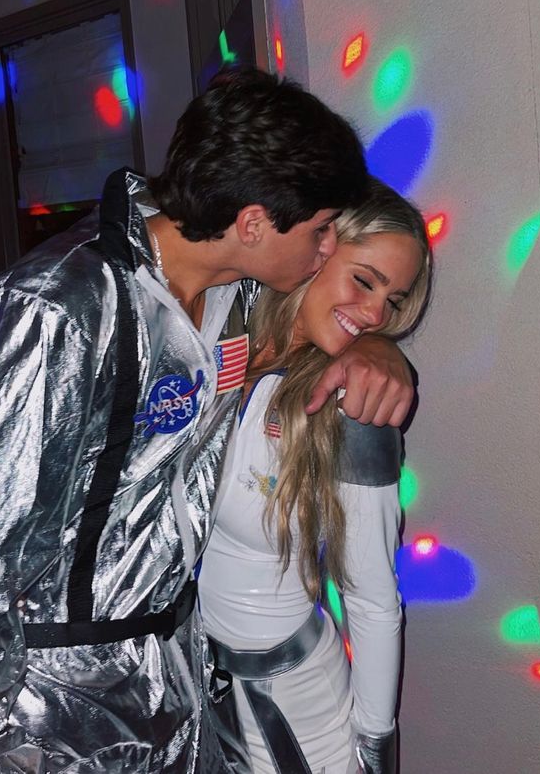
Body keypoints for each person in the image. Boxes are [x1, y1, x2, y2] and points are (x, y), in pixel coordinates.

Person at [0, 68, 415, 773]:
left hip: (178, 696)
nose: (327, 254)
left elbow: (331, 324)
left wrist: (381, 350)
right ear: (253, 221)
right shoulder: (54, 315)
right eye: (320, 233)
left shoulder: (239, 296)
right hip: (47, 721)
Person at [198, 180, 433, 773]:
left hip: (303, 707)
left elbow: (374, 599)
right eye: (365, 280)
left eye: (394, 299)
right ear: (319, 247)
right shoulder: (219, 338)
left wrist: (376, 748)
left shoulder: (357, 408)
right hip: (200, 686)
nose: (378, 314)